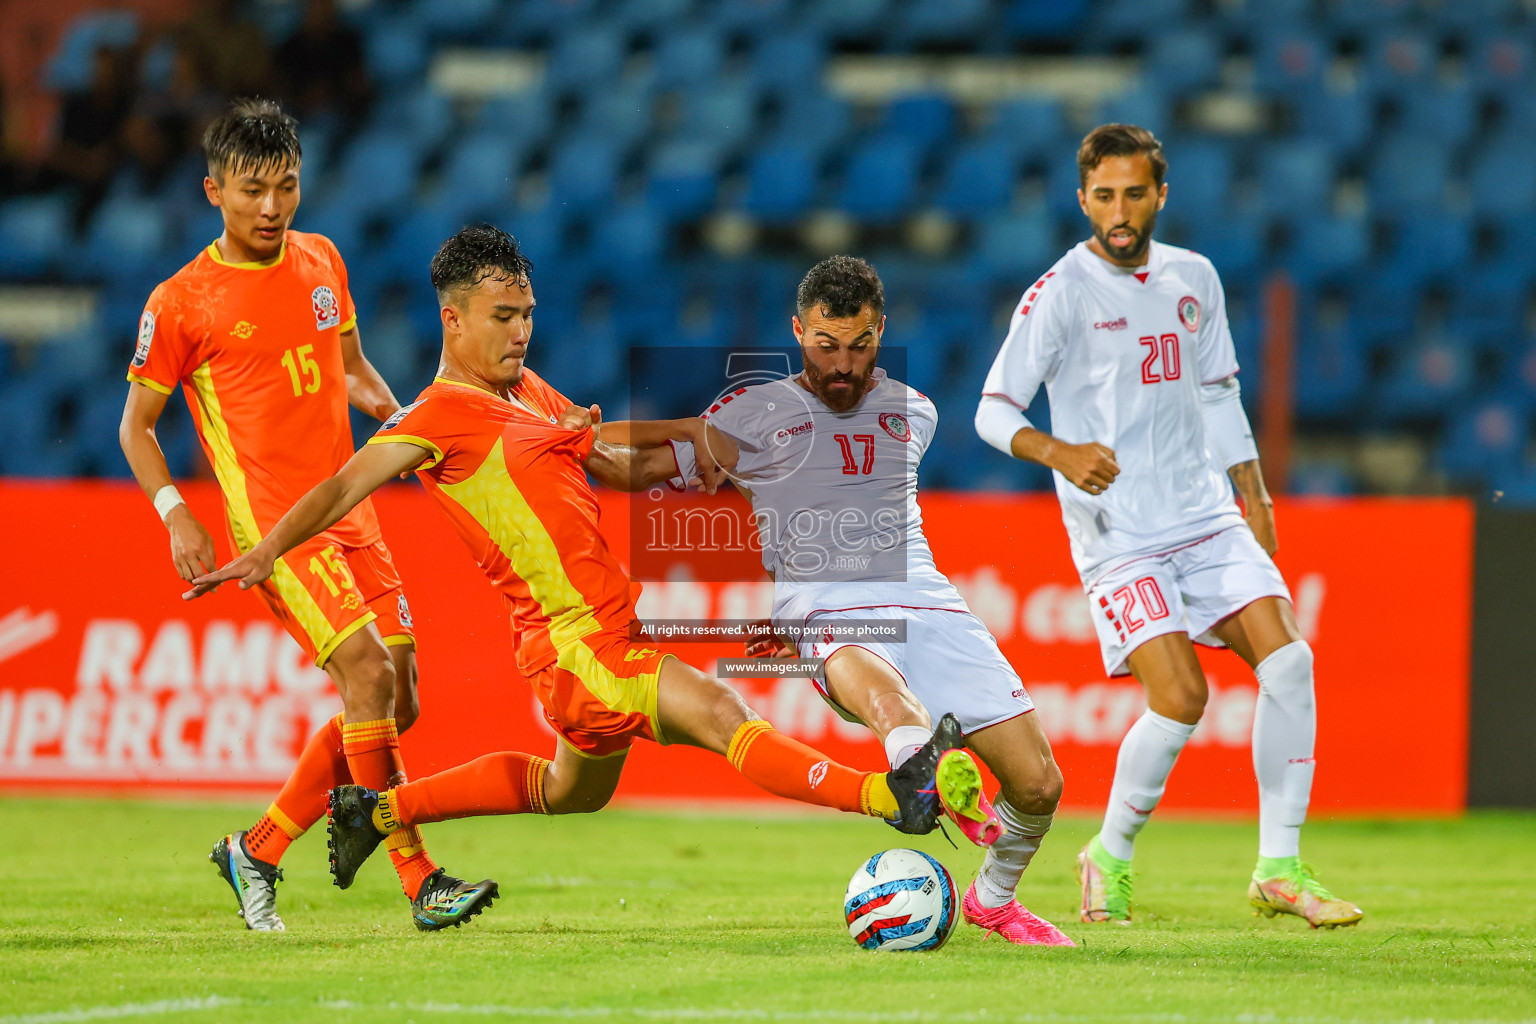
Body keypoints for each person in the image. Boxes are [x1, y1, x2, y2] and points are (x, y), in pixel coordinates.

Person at [185, 225, 974, 904]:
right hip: (575, 645)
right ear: (451, 320)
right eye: (503, 317)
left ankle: (378, 812)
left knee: (571, 791)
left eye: (528, 313)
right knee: (722, 713)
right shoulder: (436, 416)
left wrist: (701, 455)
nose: (521, 330)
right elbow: (344, 484)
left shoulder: (527, 389)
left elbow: (614, 465)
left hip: (605, 623)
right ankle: (890, 796)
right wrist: (265, 550)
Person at [974, 124, 1363, 929]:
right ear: (1083, 200)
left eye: (1134, 193)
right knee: (1181, 697)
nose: (1120, 210)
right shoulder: (1060, 294)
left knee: (1290, 661)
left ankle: (1279, 869)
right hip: (1119, 534)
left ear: (1160, 194)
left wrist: (1252, 492)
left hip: (1206, 514)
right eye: (1104, 196)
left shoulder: (1195, 277)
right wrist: (1059, 451)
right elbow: (991, 409)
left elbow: (1219, 391)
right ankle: (1108, 855)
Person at [119, 98, 489, 932]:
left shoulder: (322, 260)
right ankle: (419, 876)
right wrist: (177, 513)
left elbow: (351, 372)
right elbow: (135, 427)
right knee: (364, 675)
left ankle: (256, 848)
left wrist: (407, 428)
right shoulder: (182, 302)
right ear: (214, 190)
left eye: (285, 186)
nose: (271, 207)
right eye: (252, 189)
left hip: (349, 510)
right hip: (277, 531)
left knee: (400, 702)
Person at [650, 255, 1072, 946]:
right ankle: (924, 779)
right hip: (825, 607)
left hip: (926, 600)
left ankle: (993, 899)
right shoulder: (747, 415)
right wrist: (560, 431)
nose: (842, 364)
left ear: (881, 331)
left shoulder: (918, 412)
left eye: (859, 344)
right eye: (824, 345)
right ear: (797, 332)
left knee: (1039, 785)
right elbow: (648, 467)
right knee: (890, 706)